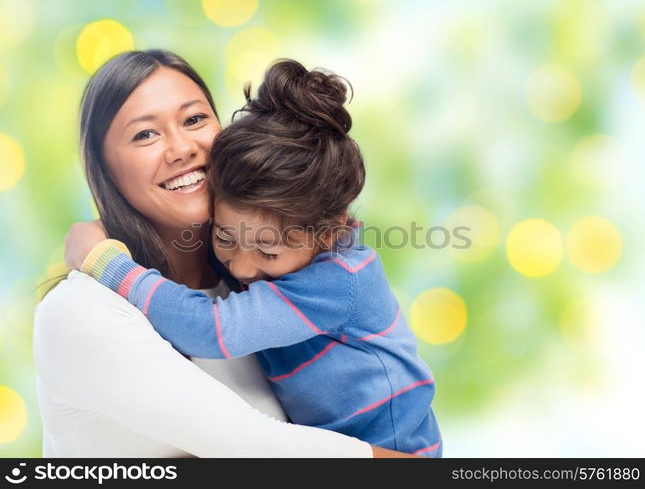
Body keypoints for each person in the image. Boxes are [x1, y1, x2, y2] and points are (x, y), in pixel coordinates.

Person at [33, 49, 413, 457]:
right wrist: (107, 265)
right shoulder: (80, 310)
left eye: (194, 119)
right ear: (103, 168)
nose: (181, 148)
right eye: (145, 134)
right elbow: (256, 449)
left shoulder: (258, 286)